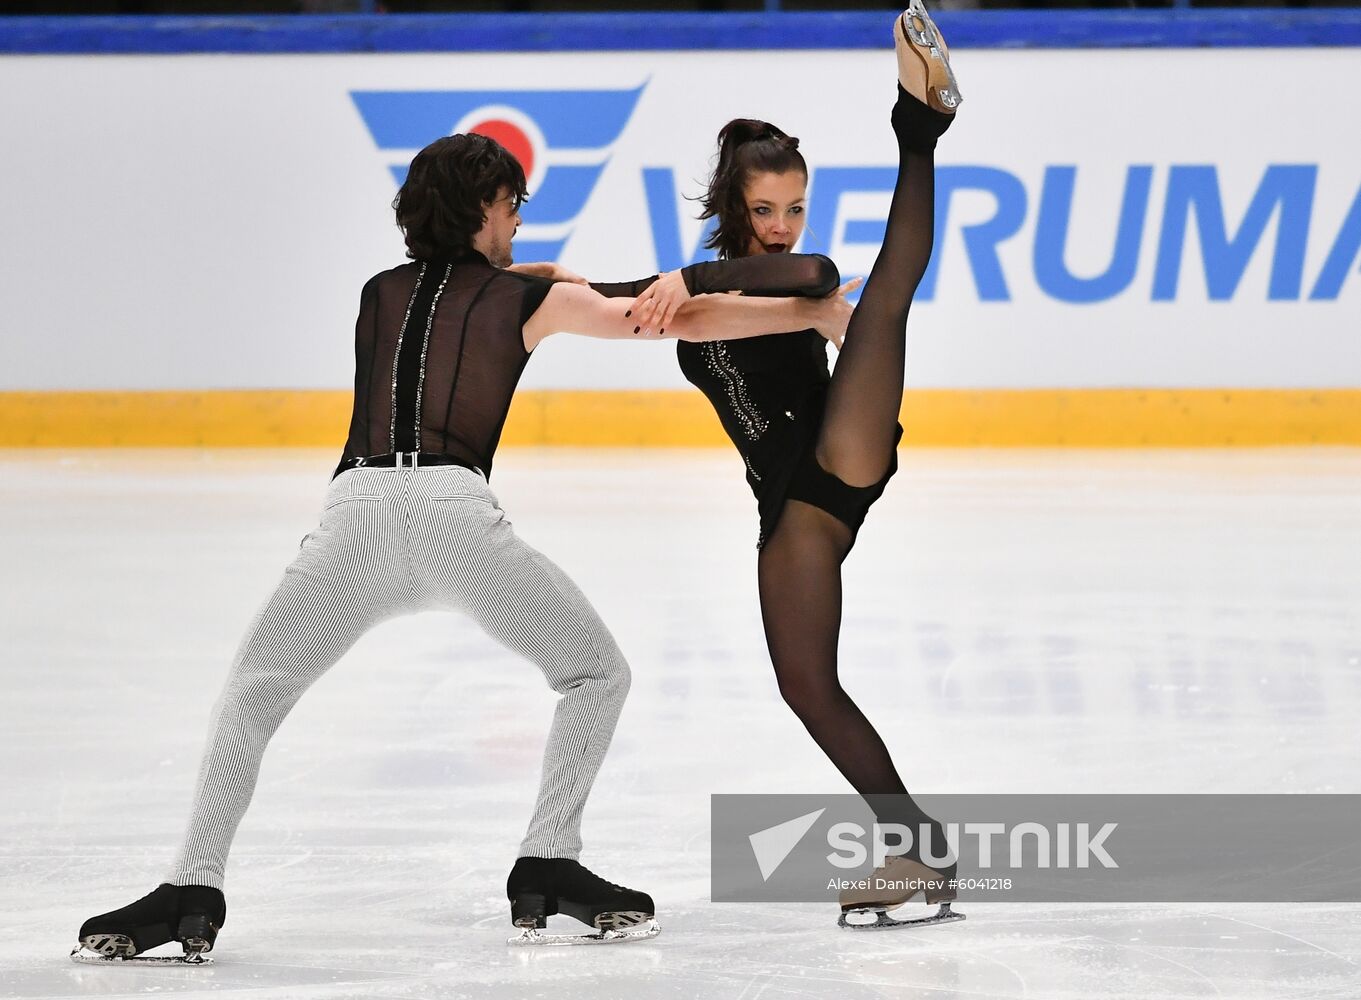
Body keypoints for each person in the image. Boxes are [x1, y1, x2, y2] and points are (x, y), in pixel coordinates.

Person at [72, 131, 852, 961]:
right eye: (512, 208)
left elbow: (469, 290)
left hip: (355, 516)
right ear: (486, 208)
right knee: (595, 674)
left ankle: (193, 885)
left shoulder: (378, 292)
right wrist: (815, 313)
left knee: (250, 696)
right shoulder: (520, 298)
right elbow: (661, 318)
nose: (517, 225)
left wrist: (541, 277)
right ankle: (548, 862)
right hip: (452, 516)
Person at [589, 3, 964, 929]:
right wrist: (506, 283)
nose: (782, 227)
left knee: (883, 301)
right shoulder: (687, 292)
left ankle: (919, 127)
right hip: (790, 510)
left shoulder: (757, 278)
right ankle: (919, 848)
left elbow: (815, 277)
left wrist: (701, 281)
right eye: (763, 211)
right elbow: (596, 294)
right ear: (732, 205)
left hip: (838, 447)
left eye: (792, 206)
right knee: (807, 688)